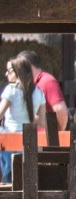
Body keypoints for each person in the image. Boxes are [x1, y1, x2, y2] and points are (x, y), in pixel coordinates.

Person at [0, 55, 47, 184]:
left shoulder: (11, 90)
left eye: (9, 71)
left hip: (10, 142)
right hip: (29, 143)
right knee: (27, 181)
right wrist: (27, 116)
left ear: (17, 72)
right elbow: (42, 121)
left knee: (9, 182)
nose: (6, 74)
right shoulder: (39, 92)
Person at [17, 49, 68, 131]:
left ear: (29, 66)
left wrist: (58, 131)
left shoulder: (47, 81)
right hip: (33, 138)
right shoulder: (30, 84)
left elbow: (60, 110)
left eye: (19, 68)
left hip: (46, 140)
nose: (18, 72)